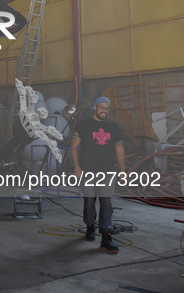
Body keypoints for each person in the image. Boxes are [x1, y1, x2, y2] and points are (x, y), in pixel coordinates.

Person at [70, 96, 126, 253]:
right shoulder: (84, 125)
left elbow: (119, 148)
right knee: (89, 202)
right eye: (101, 107)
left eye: (107, 108)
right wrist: (76, 167)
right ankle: (89, 226)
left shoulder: (114, 127)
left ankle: (106, 237)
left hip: (107, 171)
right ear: (95, 107)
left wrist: (122, 170)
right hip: (87, 170)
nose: (104, 111)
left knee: (106, 204)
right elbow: (74, 146)